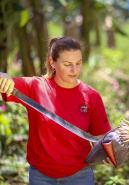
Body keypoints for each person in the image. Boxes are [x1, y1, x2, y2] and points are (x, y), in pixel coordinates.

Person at [0, 37, 113, 185]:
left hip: (80, 176)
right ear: (52, 62)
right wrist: (4, 76)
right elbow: (8, 82)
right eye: (67, 64)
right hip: (41, 176)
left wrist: (111, 152)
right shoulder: (35, 87)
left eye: (78, 63)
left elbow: (100, 138)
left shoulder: (91, 96)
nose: (75, 70)